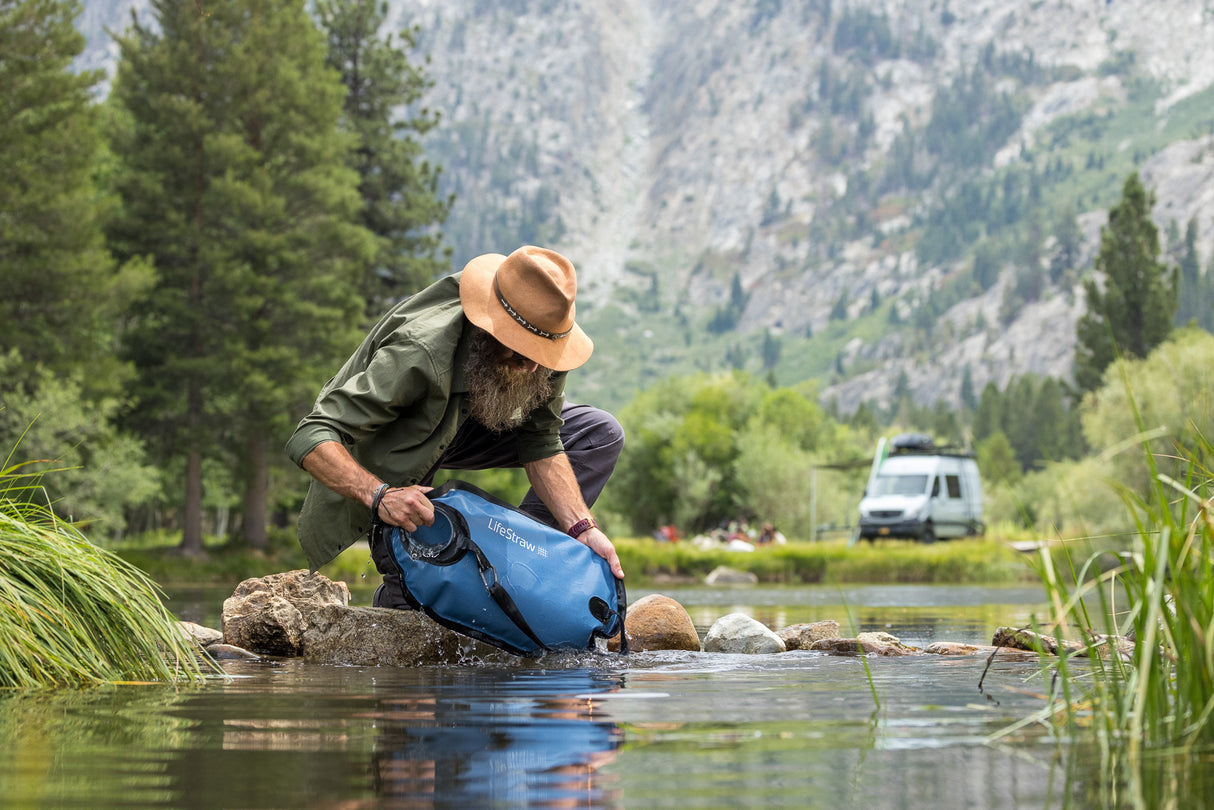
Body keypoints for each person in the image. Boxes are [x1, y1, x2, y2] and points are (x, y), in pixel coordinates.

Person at [286, 246, 625, 609]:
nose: (532, 368)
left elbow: (540, 441)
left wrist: (582, 528)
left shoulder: (545, 343)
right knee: (415, 597)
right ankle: (403, 592)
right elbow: (311, 434)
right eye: (522, 353)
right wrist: (381, 495)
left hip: (470, 421)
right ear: (489, 327)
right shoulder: (419, 351)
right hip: (398, 439)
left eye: (541, 356)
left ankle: (513, 566)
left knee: (599, 432)